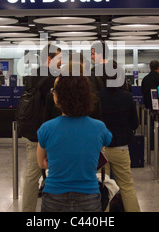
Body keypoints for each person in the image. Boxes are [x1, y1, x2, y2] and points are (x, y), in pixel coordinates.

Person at [37, 63, 112, 212]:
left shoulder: (46, 128)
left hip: (54, 196)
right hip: (89, 196)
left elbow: (42, 163)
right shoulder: (99, 128)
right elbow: (101, 151)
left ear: (58, 98)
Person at [98, 61, 141, 212]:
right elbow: (135, 124)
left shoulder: (97, 97)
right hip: (121, 147)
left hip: (101, 149)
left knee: (103, 188)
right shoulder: (127, 97)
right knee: (127, 186)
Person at [21, 46, 58, 212]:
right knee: (58, 173)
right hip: (51, 132)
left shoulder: (31, 77)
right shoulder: (54, 78)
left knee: (31, 174)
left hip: (32, 130)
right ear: (49, 60)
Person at [141, 60, 159, 149]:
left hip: (148, 105)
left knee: (150, 125)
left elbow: (142, 91)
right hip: (157, 105)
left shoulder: (145, 78)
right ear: (158, 68)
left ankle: (151, 144)